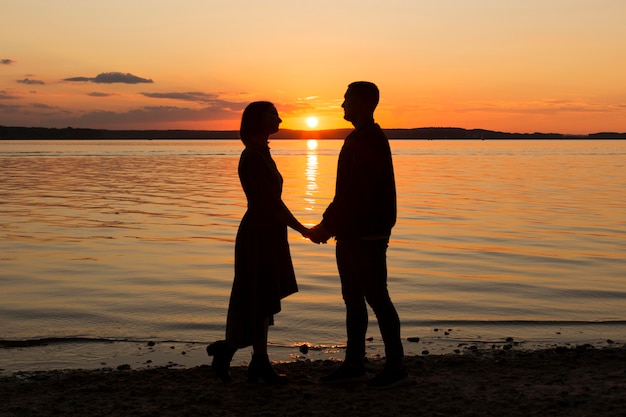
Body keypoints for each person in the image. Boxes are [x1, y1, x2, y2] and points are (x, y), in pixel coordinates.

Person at [309, 81, 408, 389]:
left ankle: (396, 366)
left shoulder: (371, 139)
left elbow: (356, 191)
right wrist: (333, 225)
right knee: (353, 299)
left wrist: (327, 225)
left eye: (347, 100)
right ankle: (354, 364)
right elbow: (348, 191)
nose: (342, 105)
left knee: (377, 297)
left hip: (367, 234)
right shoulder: (359, 137)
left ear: (363, 104)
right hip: (351, 233)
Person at [207, 101, 310, 384]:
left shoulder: (262, 152)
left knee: (262, 298)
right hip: (258, 234)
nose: (279, 118)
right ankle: (239, 354)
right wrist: (303, 228)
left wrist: (299, 228)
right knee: (256, 298)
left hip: (269, 232)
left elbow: (274, 204)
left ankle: (250, 358)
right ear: (257, 120)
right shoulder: (252, 155)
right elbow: (269, 204)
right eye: (273, 114)